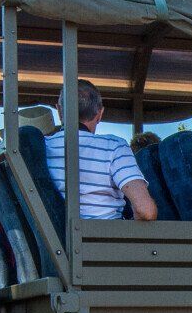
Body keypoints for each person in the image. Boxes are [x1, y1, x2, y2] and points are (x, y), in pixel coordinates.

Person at [45, 79, 158, 221]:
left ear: (60, 111)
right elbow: (145, 211)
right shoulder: (115, 146)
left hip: (55, 232)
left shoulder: (42, 146)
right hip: (107, 233)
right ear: (99, 113)